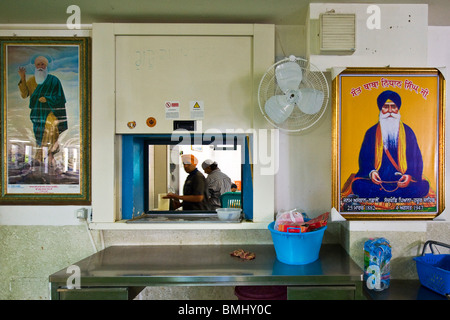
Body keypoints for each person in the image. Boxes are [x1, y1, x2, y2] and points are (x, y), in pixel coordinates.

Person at [350, 90, 430, 199]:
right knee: (358, 185)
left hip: (402, 182)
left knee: (423, 187)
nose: (390, 111)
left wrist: (409, 175)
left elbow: (416, 159)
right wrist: (371, 172)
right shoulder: (371, 132)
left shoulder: (408, 132)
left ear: (398, 109)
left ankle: (384, 196)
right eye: (386, 107)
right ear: (380, 109)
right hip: (378, 182)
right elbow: (364, 159)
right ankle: (396, 196)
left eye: (393, 106)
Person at [18, 55, 68, 168]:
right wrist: (22, 78)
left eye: (42, 64)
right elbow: (24, 95)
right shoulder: (31, 81)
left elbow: (60, 97)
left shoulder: (54, 80)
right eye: (38, 64)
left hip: (51, 112)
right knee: (39, 135)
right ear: (35, 66)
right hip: (37, 114)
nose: (40, 66)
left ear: (46, 66)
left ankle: (49, 155)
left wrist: (47, 99)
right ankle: (41, 158)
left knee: (52, 125)